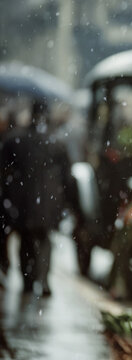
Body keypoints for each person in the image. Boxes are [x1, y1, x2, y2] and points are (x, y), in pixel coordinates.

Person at [0, 100, 75, 296]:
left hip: (24, 201)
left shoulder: (16, 140)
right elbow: (67, 177)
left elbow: (5, 171)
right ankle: (43, 280)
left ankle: (28, 280)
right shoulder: (56, 141)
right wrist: (67, 202)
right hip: (49, 202)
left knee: (26, 240)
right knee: (44, 240)